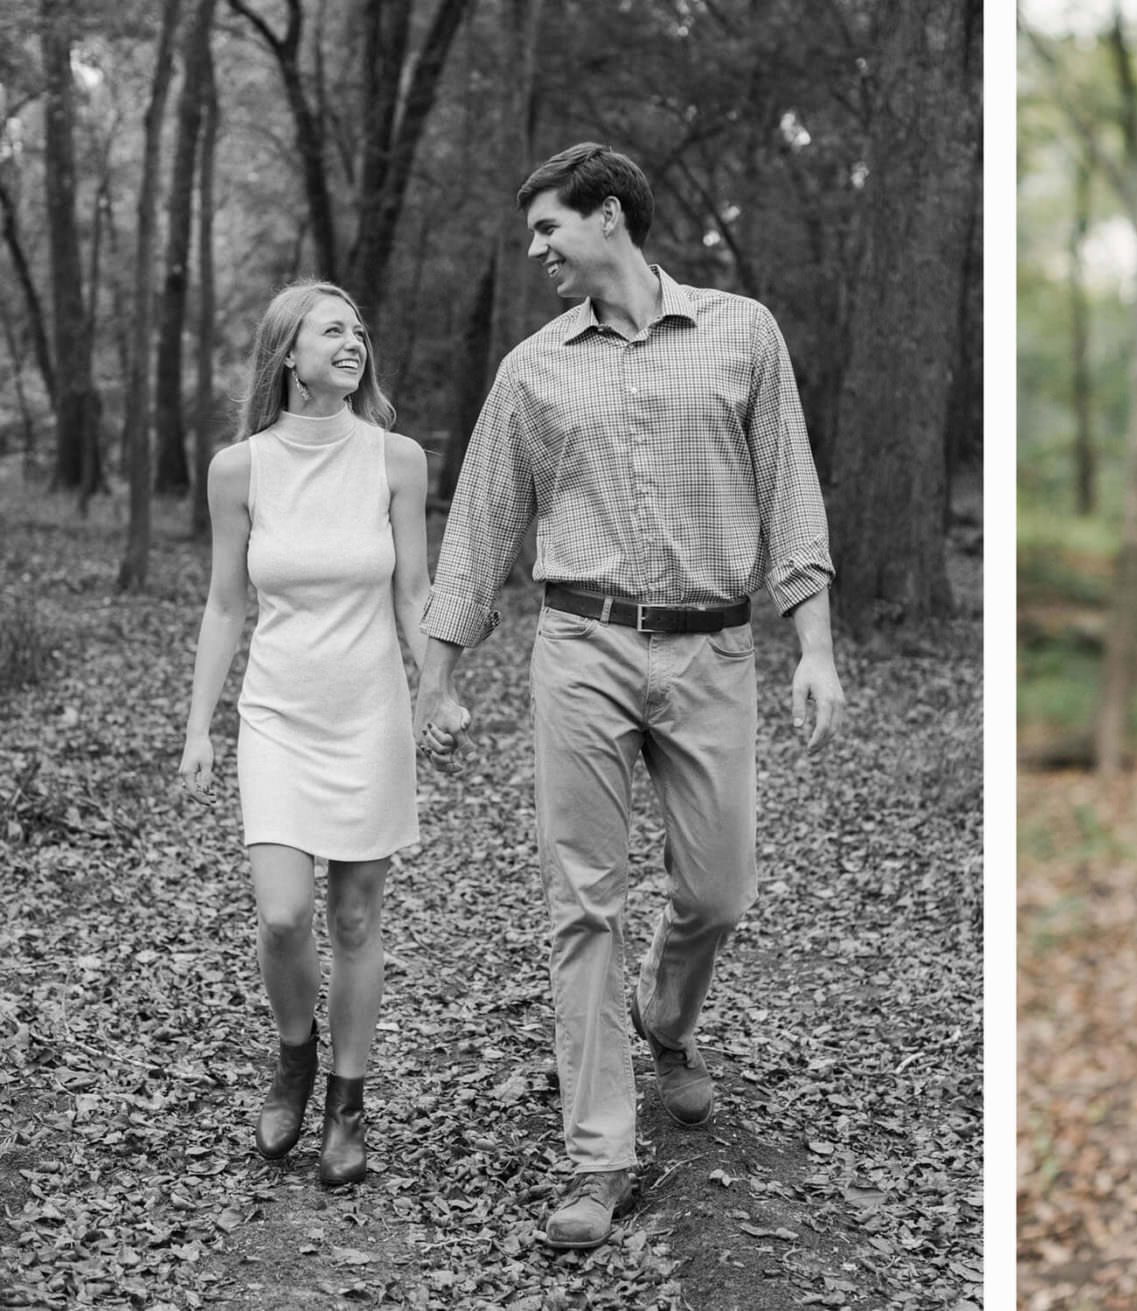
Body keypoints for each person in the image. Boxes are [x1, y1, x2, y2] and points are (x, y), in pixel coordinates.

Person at [412, 142, 847, 1251]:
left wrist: (815, 648)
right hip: (582, 650)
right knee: (582, 904)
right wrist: (440, 672)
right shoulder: (532, 370)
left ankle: (669, 1013)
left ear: (608, 217)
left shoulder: (741, 332)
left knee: (718, 891)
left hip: (711, 652)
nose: (537, 251)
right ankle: (596, 1157)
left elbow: (790, 490)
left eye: (549, 227)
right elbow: (479, 528)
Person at [178, 281, 465, 1186]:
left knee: (353, 917)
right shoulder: (241, 468)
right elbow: (226, 604)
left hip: (369, 712)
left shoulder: (397, 459)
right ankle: (294, 1054)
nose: (353, 340)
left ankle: (347, 1100)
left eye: (358, 328)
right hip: (277, 715)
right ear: (287, 355)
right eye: (331, 329)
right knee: (283, 913)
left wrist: (439, 688)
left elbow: (413, 595)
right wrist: (199, 728)